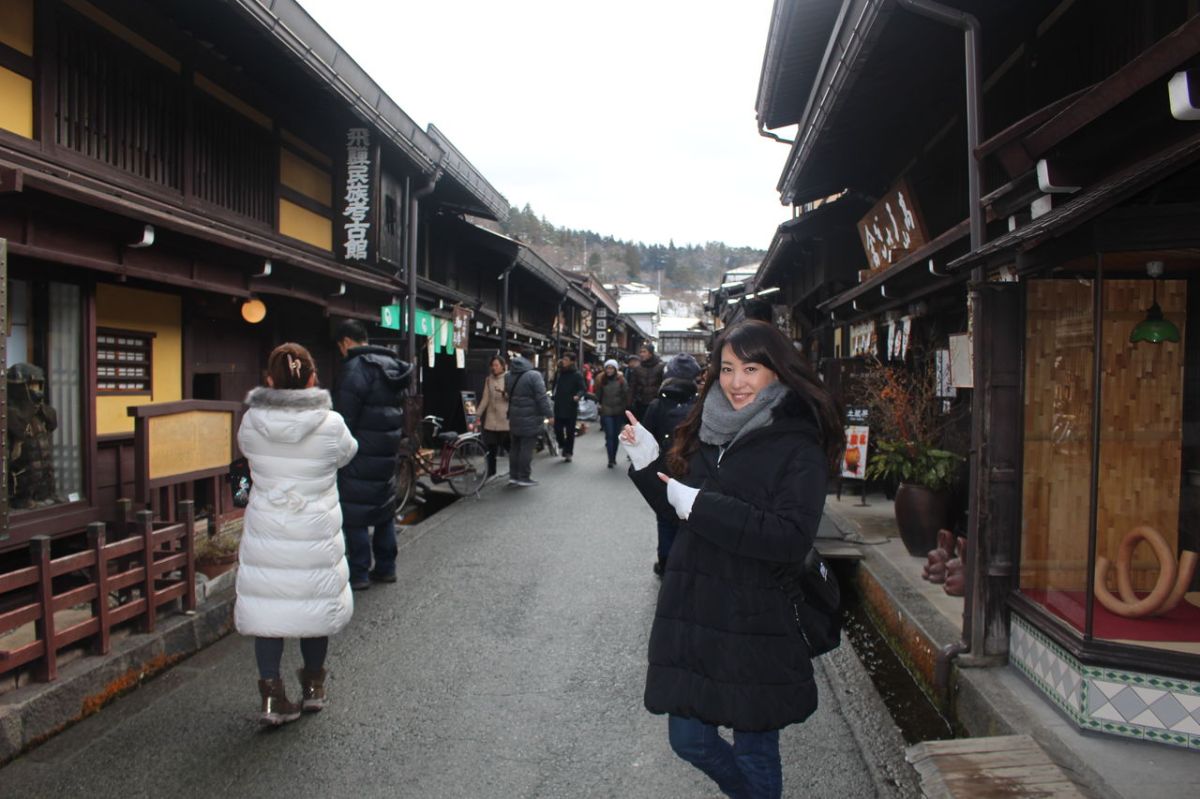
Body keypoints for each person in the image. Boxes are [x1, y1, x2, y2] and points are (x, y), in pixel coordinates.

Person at [620, 320, 843, 798]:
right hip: (697, 611)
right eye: (726, 368)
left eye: (751, 368)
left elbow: (789, 536)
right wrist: (647, 462)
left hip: (757, 618)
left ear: (777, 372)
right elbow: (681, 511)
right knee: (689, 738)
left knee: (755, 748)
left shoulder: (798, 444)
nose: (736, 382)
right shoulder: (708, 427)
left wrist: (701, 505)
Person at [235, 343, 358, 726]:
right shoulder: (331, 423)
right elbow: (348, 453)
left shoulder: (252, 423)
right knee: (313, 606)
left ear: (269, 380)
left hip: (268, 530)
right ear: (311, 379)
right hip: (313, 530)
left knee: (268, 609)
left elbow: (249, 454)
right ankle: (314, 689)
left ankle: (272, 699)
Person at [332, 319, 413, 591]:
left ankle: (359, 573)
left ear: (345, 342)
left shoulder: (354, 370)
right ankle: (387, 567)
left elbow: (343, 420)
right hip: (387, 451)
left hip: (359, 452)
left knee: (355, 511)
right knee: (383, 508)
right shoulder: (392, 366)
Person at [638, 353, 701, 576]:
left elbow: (645, 440)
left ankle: (665, 562)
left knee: (665, 518)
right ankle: (687, 565)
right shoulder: (700, 405)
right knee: (690, 519)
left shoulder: (657, 405)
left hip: (664, 471)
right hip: (694, 470)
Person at [504, 348, 553, 487]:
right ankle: (524, 476)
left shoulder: (509, 375)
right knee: (526, 447)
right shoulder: (534, 375)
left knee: (515, 447)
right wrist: (549, 415)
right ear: (532, 358)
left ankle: (513, 476)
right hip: (530, 417)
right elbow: (542, 398)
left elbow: (509, 394)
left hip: (514, 416)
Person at [475, 354, 510, 478]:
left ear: (503, 366)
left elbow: (513, 397)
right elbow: (485, 398)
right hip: (490, 420)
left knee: (508, 447)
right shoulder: (488, 380)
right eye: (492, 365)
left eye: (496, 365)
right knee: (490, 449)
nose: (494, 368)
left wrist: (504, 393)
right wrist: (477, 414)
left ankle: (516, 470)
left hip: (504, 420)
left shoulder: (508, 378)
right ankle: (491, 472)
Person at [551, 351, 587, 463]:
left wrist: (578, 395)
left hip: (570, 406)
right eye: (563, 359)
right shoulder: (559, 372)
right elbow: (554, 386)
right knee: (557, 429)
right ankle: (562, 444)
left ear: (572, 361)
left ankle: (568, 452)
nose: (564, 361)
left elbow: (583, 389)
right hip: (558, 404)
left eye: (566, 360)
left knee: (570, 431)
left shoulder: (577, 374)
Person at [595, 358, 631, 468]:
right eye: (607, 368)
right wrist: (598, 404)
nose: (609, 370)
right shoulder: (602, 380)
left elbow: (626, 393)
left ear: (615, 369)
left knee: (615, 436)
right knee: (609, 435)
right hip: (606, 411)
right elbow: (598, 395)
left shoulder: (621, 380)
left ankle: (614, 457)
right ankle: (610, 459)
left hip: (618, 411)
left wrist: (626, 407)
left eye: (611, 368)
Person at [629, 344, 665, 420]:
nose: (642, 354)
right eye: (641, 352)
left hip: (656, 402)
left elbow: (664, 384)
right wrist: (630, 403)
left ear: (651, 353)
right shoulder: (637, 369)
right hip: (641, 403)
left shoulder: (660, 367)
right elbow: (632, 387)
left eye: (644, 352)